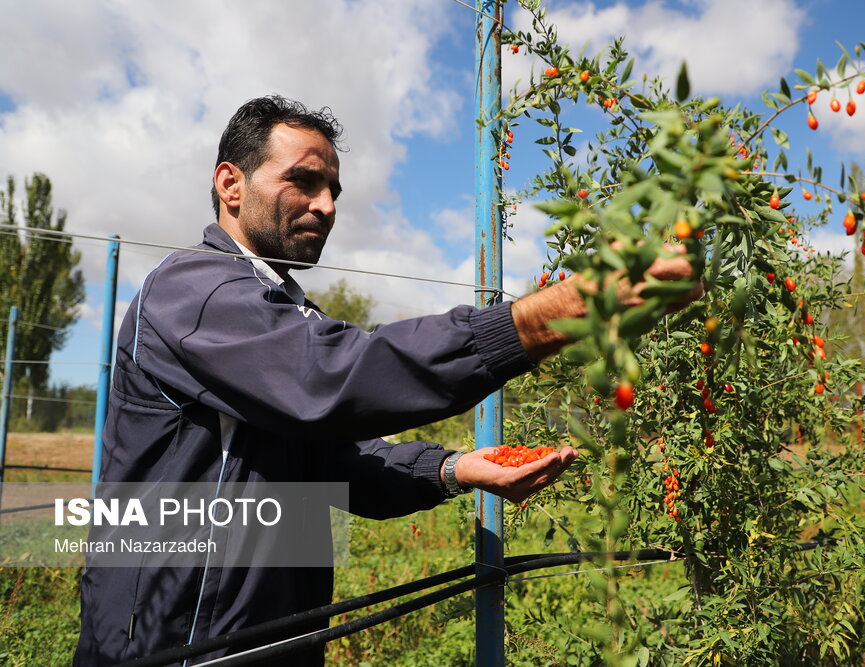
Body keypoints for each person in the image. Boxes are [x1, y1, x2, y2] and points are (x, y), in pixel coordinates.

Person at [73, 95, 701, 665]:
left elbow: (331, 465)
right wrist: (565, 309)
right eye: (304, 181)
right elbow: (335, 375)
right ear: (230, 185)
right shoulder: (195, 290)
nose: (327, 205)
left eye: (334, 189)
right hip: (176, 649)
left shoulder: (280, 309)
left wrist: (455, 468)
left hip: (260, 642)